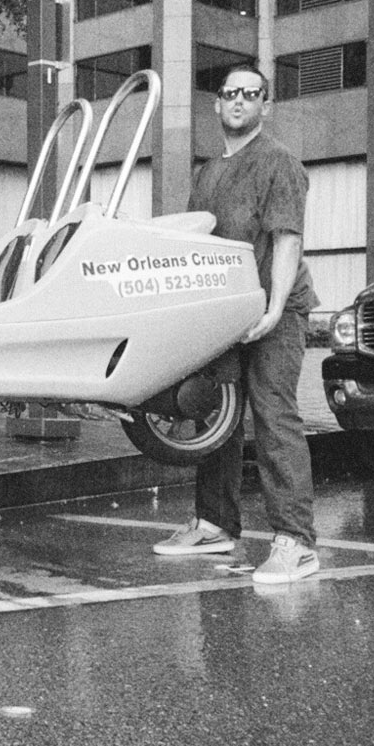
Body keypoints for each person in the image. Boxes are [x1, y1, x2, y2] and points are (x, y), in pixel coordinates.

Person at [152, 63, 319, 585]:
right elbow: (198, 247)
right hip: (227, 311)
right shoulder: (206, 174)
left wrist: (272, 307)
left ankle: (296, 542)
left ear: (265, 106)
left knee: (274, 416)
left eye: (251, 94)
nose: (240, 101)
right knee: (216, 418)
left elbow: (287, 239)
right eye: (230, 94)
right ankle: (215, 524)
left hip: (276, 307)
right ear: (217, 105)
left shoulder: (279, 163)